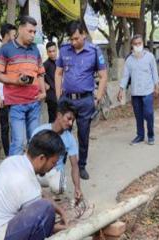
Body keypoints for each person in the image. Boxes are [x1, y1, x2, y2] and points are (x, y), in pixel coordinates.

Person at [0, 130, 67, 240]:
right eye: (53, 162)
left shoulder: (12, 161)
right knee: (46, 210)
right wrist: (62, 228)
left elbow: (41, 194)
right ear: (42, 158)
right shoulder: (26, 182)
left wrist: (62, 212)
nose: (54, 166)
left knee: (44, 205)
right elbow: (39, 225)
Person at [55, 21, 108, 180]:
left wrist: (97, 98)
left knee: (83, 135)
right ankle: (60, 166)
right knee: (63, 133)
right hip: (67, 101)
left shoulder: (94, 51)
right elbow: (58, 73)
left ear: (84, 34)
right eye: (71, 39)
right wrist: (59, 97)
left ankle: (81, 166)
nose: (73, 42)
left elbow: (103, 75)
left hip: (85, 101)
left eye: (76, 38)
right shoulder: (64, 50)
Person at [0, 16, 47, 156]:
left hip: (34, 102)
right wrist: (16, 81)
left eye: (34, 32)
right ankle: (13, 175)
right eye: (30, 31)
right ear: (20, 29)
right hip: (16, 104)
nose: (33, 35)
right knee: (18, 142)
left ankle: (30, 174)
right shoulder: (6, 49)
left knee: (34, 141)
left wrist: (43, 92)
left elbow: (40, 73)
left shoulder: (35, 49)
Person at [32, 101, 82, 201]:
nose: (71, 123)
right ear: (59, 115)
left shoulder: (70, 139)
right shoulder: (40, 131)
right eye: (69, 118)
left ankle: (44, 194)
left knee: (59, 187)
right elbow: (29, 157)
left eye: (73, 120)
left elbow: (75, 165)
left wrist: (77, 188)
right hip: (36, 172)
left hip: (54, 173)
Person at [117, 35, 159, 145]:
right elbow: (125, 76)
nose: (137, 46)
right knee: (138, 115)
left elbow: (154, 72)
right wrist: (121, 89)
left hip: (147, 91)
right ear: (132, 45)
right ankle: (140, 136)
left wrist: (157, 86)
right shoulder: (129, 60)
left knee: (149, 113)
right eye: (135, 44)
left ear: (142, 43)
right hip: (135, 92)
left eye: (139, 43)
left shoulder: (149, 57)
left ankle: (151, 135)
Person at [0, 23, 17, 156]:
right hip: (3, 98)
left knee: (16, 126)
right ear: (6, 35)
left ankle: (16, 153)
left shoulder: (14, 52)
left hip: (14, 96)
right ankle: (8, 156)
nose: (15, 37)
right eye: (13, 35)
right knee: (5, 127)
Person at [44, 42, 58, 123]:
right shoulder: (45, 64)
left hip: (62, 95)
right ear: (47, 52)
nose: (52, 54)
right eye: (50, 51)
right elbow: (37, 75)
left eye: (54, 51)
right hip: (52, 97)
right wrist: (45, 84)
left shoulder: (60, 62)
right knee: (53, 121)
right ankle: (52, 135)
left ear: (56, 50)